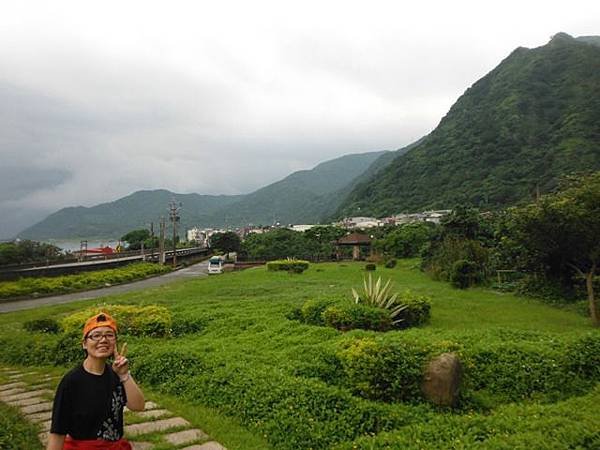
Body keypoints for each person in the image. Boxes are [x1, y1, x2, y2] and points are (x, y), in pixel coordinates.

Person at [47, 312, 145, 450]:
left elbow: (138, 406)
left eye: (109, 335)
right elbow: (58, 430)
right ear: (84, 344)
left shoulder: (115, 375)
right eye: (96, 335)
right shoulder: (72, 382)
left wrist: (124, 375)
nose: (103, 340)